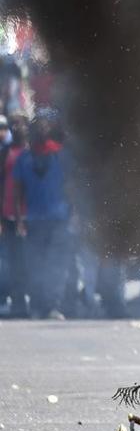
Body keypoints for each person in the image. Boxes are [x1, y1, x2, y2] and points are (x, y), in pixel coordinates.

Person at [13, 115, 72, 319]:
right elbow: (17, 190)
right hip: (35, 219)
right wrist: (20, 219)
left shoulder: (60, 155)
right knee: (35, 264)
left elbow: (71, 187)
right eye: (38, 128)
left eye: (44, 128)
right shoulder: (24, 158)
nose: (41, 131)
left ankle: (52, 305)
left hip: (59, 217)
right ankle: (39, 306)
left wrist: (75, 214)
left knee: (55, 264)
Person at [0, 116, 26, 316]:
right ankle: (10, 300)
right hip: (7, 215)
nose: (17, 128)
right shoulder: (5, 152)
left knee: (25, 261)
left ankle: (22, 301)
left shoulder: (32, 152)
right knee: (9, 260)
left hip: (28, 216)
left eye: (21, 124)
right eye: (14, 124)